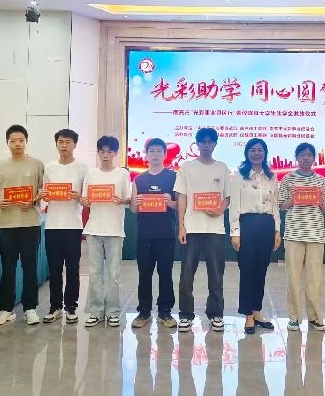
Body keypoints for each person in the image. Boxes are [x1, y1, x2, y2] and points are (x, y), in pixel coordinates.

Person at [0, 125, 45, 326]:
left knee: (30, 266)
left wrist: (33, 201)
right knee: (8, 267)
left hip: (30, 224)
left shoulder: (37, 164)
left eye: (21, 140)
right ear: (7, 143)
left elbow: (43, 191)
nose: (17, 144)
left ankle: (30, 308)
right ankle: (6, 309)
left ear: (26, 142)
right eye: (13, 141)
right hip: (6, 225)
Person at [176, 127, 231, 333]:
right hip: (191, 228)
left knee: (216, 275)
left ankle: (216, 314)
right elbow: (182, 197)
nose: (206, 145)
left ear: (215, 144)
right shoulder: (186, 168)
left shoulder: (222, 168)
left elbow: (227, 197)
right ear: (197, 144)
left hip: (215, 230)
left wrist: (220, 209)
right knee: (186, 275)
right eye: (203, 141)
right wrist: (181, 225)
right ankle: (185, 315)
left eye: (210, 141)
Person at [229, 138, 280, 334]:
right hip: (247, 225)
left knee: (261, 270)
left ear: (265, 153)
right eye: (253, 150)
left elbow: (275, 205)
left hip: (267, 225)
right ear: (247, 153)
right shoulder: (239, 176)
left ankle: (257, 311)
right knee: (247, 270)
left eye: (260, 150)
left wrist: (277, 230)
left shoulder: (271, 176)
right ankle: (248, 314)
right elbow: (234, 206)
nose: (257, 153)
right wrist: (235, 232)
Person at [278, 142, 325, 332]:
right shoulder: (287, 179)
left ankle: (315, 317)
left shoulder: (321, 181)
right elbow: (281, 205)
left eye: (309, 155)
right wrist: (295, 198)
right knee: (293, 277)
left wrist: (319, 199)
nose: (306, 158)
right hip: (294, 233)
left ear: (314, 158)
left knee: (314, 278)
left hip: (315, 234)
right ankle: (293, 317)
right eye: (302, 155)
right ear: (297, 157)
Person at [82, 135, 132, 328]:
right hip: (94, 229)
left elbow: (128, 199)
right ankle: (95, 311)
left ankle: (112, 312)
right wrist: (85, 201)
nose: (105, 155)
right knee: (94, 273)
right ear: (98, 153)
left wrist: (122, 200)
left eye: (109, 151)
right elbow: (85, 200)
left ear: (115, 153)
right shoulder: (91, 174)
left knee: (113, 274)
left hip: (114, 230)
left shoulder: (122, 174)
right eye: (102, 151)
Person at [40, 129, 88, 324]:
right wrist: (44, 196)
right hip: (52, 224)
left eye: (68, 142)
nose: (64, 145)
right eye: (60, 142)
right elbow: (44, 195)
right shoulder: (49, 167)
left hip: (73, 225)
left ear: (75, 144)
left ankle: (71, 306)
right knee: (54, 269)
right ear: (56, 144)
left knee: (73, 268)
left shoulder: (83, 168)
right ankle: (55, 307)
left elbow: (87, 198)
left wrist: (80, 197)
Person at [130, 138, 178, 329]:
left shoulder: (173, 177)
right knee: (144, 273)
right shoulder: (139, 179)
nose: (155, 154)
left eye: (159, 151)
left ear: (165, 154)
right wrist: (136, 203)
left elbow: (180, 204)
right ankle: (144, 311)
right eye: (152, 151)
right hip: (145, 234)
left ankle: (165, 311)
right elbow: (133, 209)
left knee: (165, 273)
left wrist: (171, 203)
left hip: (166, 233)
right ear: (146, 154)